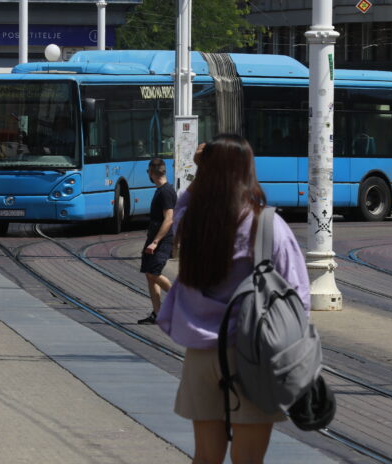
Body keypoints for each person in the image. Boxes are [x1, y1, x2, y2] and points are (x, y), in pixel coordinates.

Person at [156, 134, 310, 464]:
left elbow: (181, 205)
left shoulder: (193, 224)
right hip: (252, 356)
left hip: (200, 357)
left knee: (205, 458)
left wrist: (202, 170)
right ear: (247, 171)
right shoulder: (267, 225)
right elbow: (297, 297)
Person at [137, 158, 176, 325]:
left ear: (151, 173)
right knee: (149, 274)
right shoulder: (161, 190)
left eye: (148, 172)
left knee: (154, 273)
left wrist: (156, 241)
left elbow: (169, 219)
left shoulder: (166, 192)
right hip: (154, 238)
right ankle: (158, 314)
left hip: (162, 240)